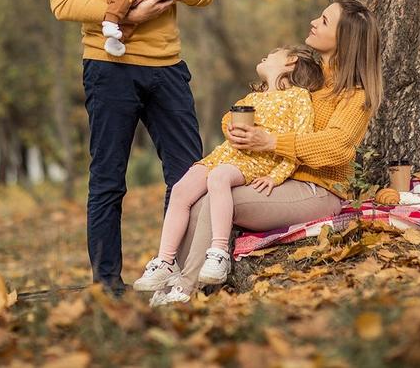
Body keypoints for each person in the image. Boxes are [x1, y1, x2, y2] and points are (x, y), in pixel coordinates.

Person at [50, 0, 215, 294]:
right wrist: (122, 9)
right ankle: (109, 285)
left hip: (168, 68)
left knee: (188, 177)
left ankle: (176, 276)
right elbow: (63, 1)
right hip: (110, 67)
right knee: (109, 180)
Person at [148, 0, 381, 305]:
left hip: (319, 190)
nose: (313, 22)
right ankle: (169, 275)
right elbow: (264, 110)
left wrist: (271, 142)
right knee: (196, 194)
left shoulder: (354, 95)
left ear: (344, 40)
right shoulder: (305, 78)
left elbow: (337, 147)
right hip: (277, 176)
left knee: (213, 201)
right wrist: (236, 128)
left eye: (324, 21)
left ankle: (185, 293)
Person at [132, 45, 324, 292]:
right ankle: (165, 261)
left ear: (291, 61)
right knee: (181, 189)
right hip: (225, 154)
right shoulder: (253, 97)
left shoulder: (298, 97)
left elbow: (300, 140)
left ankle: (218, 252)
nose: (265, 55)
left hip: (259, 161)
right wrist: (231, 130)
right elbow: (228, 121)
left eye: (274, 52)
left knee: (220, 178)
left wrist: (276, 177)